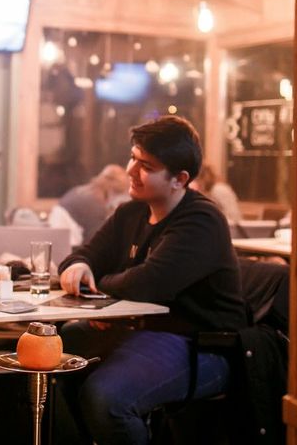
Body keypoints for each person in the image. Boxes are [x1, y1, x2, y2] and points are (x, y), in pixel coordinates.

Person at [57, 115, 246, 445]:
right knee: (56, 352)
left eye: (146, 165)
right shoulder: (131, 212)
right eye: (132, 157)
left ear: (179, 179)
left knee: (106, 398)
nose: (130, 170)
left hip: (202, 343)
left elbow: (146, 285)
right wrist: (79, 267)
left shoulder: (201, 220)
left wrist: (97, 286)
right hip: (142, 330)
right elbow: (82, 256)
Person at [48, 164, 130, 246]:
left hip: (57, 238)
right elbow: (96, 242)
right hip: (69, 243)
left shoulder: (83, 191)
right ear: (112, 190)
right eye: (120, 193)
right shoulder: (96, 206)